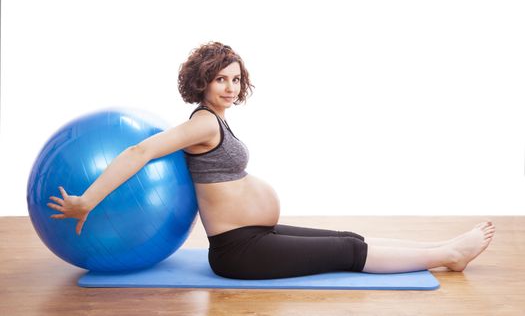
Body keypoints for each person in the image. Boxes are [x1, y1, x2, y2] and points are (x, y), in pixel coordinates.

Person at [47, 41, 495, 279]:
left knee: (347, 236)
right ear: (201, 84)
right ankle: (447, 254)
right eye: (219, 79)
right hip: (240, 252)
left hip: (255, 234)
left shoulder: (218, 121)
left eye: (235, 79)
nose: (228, 87)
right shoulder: (203, 123)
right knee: (346, 251)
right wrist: (87, 200)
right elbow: (139, 151)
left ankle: (443, 253)